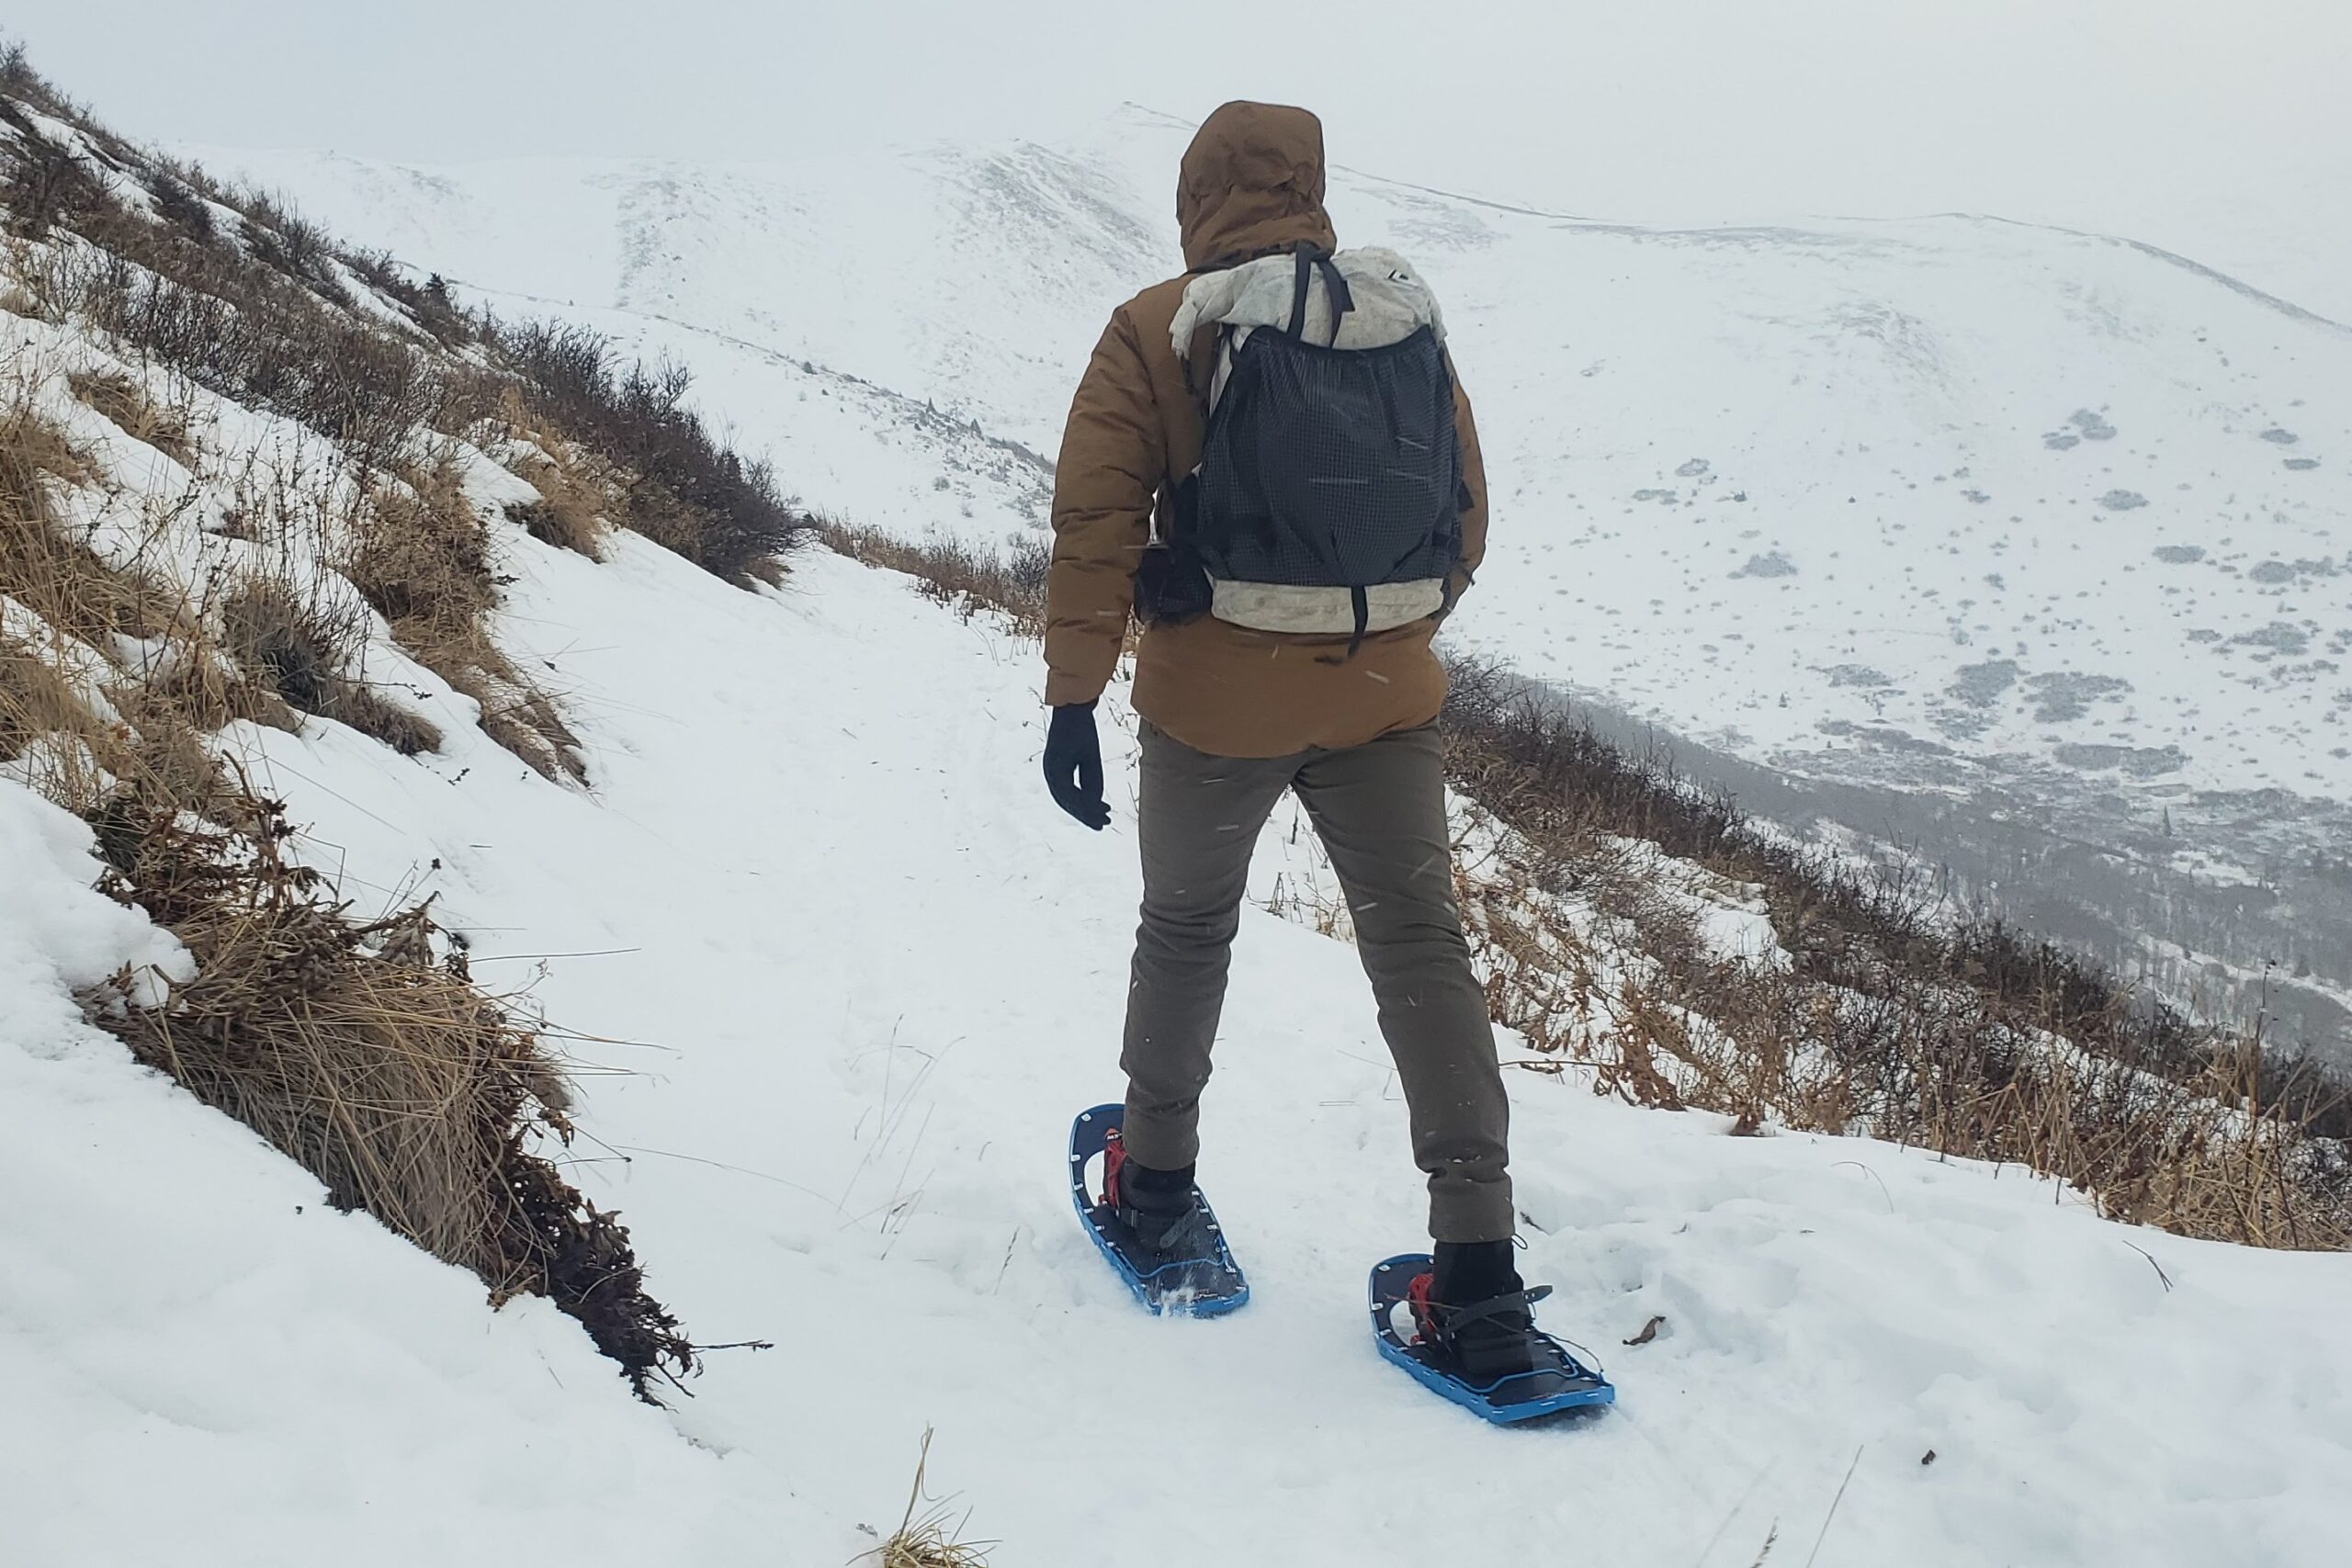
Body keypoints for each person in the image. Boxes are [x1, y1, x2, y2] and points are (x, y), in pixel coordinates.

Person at [1039, 99, 1544, 1379]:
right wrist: (1378, 640)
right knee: (1422, 950)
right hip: (1386, 701)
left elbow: (1097, 526)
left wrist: (1075, 697)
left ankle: (1152, 1186)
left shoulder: (1154, 327)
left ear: (1196, 197)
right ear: (1312, 186)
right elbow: (1464, 519)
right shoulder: (1389, 319)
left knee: (1188, 930)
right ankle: (1478, 1274)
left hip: (1215, 708)